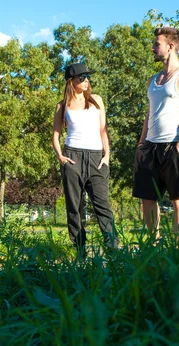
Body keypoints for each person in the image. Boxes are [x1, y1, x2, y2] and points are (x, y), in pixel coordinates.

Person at [133, 27, 179, 238]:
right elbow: (149, 113)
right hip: (150, 146)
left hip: (172, 144)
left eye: (157, 44)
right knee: (147, 199)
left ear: (171, 46)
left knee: (177, 198)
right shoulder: (153, 80)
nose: (153, 48)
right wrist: (141, 142)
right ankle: (152, 247)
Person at [52, 63, 118, 254]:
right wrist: (61, 157)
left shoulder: (96, 100)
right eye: (82, 77)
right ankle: (80, 250)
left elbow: (103, 131)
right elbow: (56, 135)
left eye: (87, 77)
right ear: (71, 81)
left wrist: (107, 156)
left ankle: (113, 249)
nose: (86, 80)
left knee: (102, 206)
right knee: (75, 207)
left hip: (97, 158)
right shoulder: (62, 105)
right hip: (72, 156)